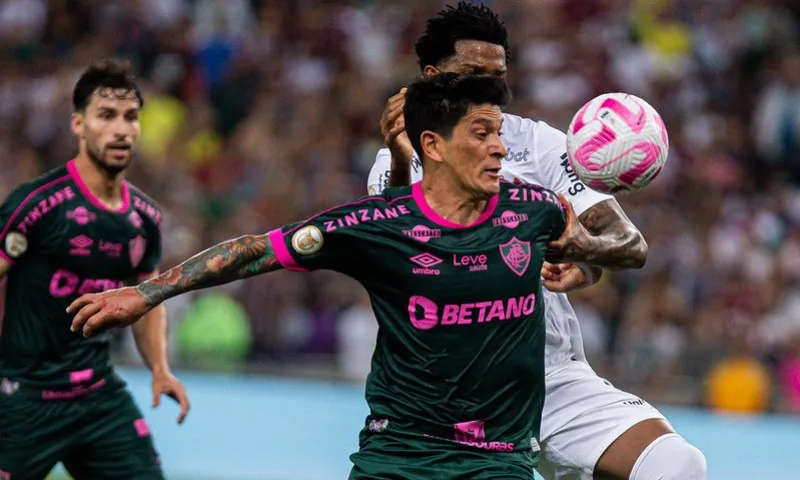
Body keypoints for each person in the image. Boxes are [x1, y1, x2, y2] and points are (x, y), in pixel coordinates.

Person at [69, 73, 577, 479]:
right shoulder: (378, 225)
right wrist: (148, 292)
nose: (500, 149)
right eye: (482, 134)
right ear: (435, 146)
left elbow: (591, 253)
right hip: (398, 455)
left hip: (499, 459)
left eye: (499, 135)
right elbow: (252, 252)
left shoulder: (536, 209)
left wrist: (582, 269)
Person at [368, 3, 707, 480]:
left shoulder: (538, 144)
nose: (489, 89)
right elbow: (393, 241)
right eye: (472, 74)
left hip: (548, 376)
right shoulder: (399, 159)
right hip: (445, 393)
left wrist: (576, 251)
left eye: (497, 76)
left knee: (676, 464)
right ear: (432, 75)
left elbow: (628, 243)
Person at [0, 59, 190, 480]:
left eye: (131, 117)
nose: (121, 129)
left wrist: (160, 368)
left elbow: (147, 297)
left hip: (98, 396)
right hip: (24, 397)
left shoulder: (144, 218)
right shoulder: (37, 204)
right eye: (106, 116)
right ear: (78, 124)